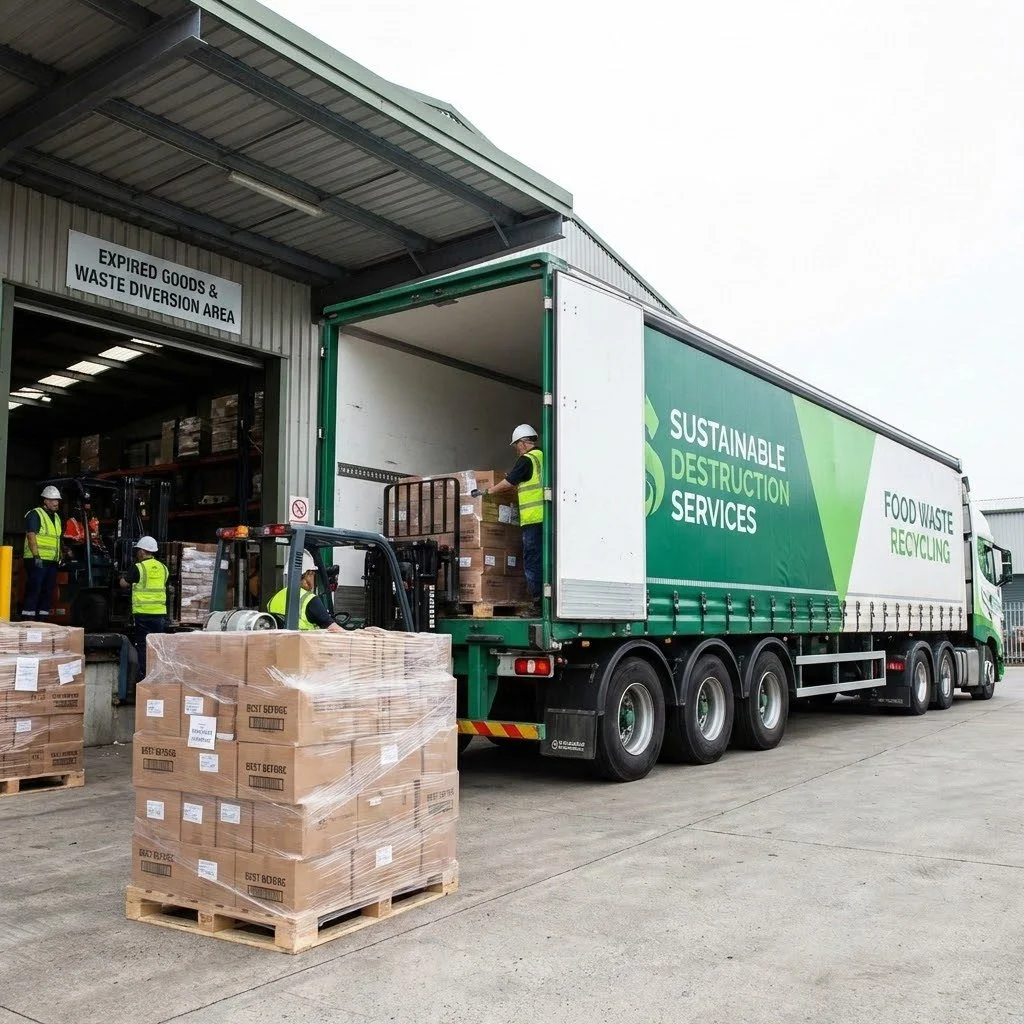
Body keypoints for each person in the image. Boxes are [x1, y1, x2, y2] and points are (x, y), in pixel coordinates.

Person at [476, 424, 543, 614]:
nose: (516, 449)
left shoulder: (526, 459)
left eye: (516, 445)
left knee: (532, 560)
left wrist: (488, 491)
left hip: (533, 518)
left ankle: (538, 605)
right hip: (546, 519)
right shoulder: (544, 458)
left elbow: (510, 481)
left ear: (522, 443)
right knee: (543, 560)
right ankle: (545, 600)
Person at [119, 536, 168, 680]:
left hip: (142, 614)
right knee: (157, 646)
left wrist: (121, 578)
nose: (137, 554)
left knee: (142, 646)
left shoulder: (138, 567)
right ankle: (158, 675)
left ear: (142, 551)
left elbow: (124, 584)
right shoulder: (164, 568)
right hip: (159, 614)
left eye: (138, 551)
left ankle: (144, 677)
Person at [267, 551, 343, 632]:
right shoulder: (310, 599)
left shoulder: (273, 599)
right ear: (308, 574)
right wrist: (351, 634)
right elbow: (334, 629)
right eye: (313, 574)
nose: (314, 578)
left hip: (280, 643)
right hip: (304, 643)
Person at [22, 485, 63, 620]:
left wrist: (61, 555)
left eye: (57, 500)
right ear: (45, 500)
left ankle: (42, 620)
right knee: (35, 589)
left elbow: (56, 539)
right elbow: (31, 535)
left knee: (48, 591)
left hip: (51, 561)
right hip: (37, 559)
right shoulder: (35, 514)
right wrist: (36, 556)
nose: (55, 503)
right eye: (52, 500)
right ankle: (29, 620)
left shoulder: (57, 517)